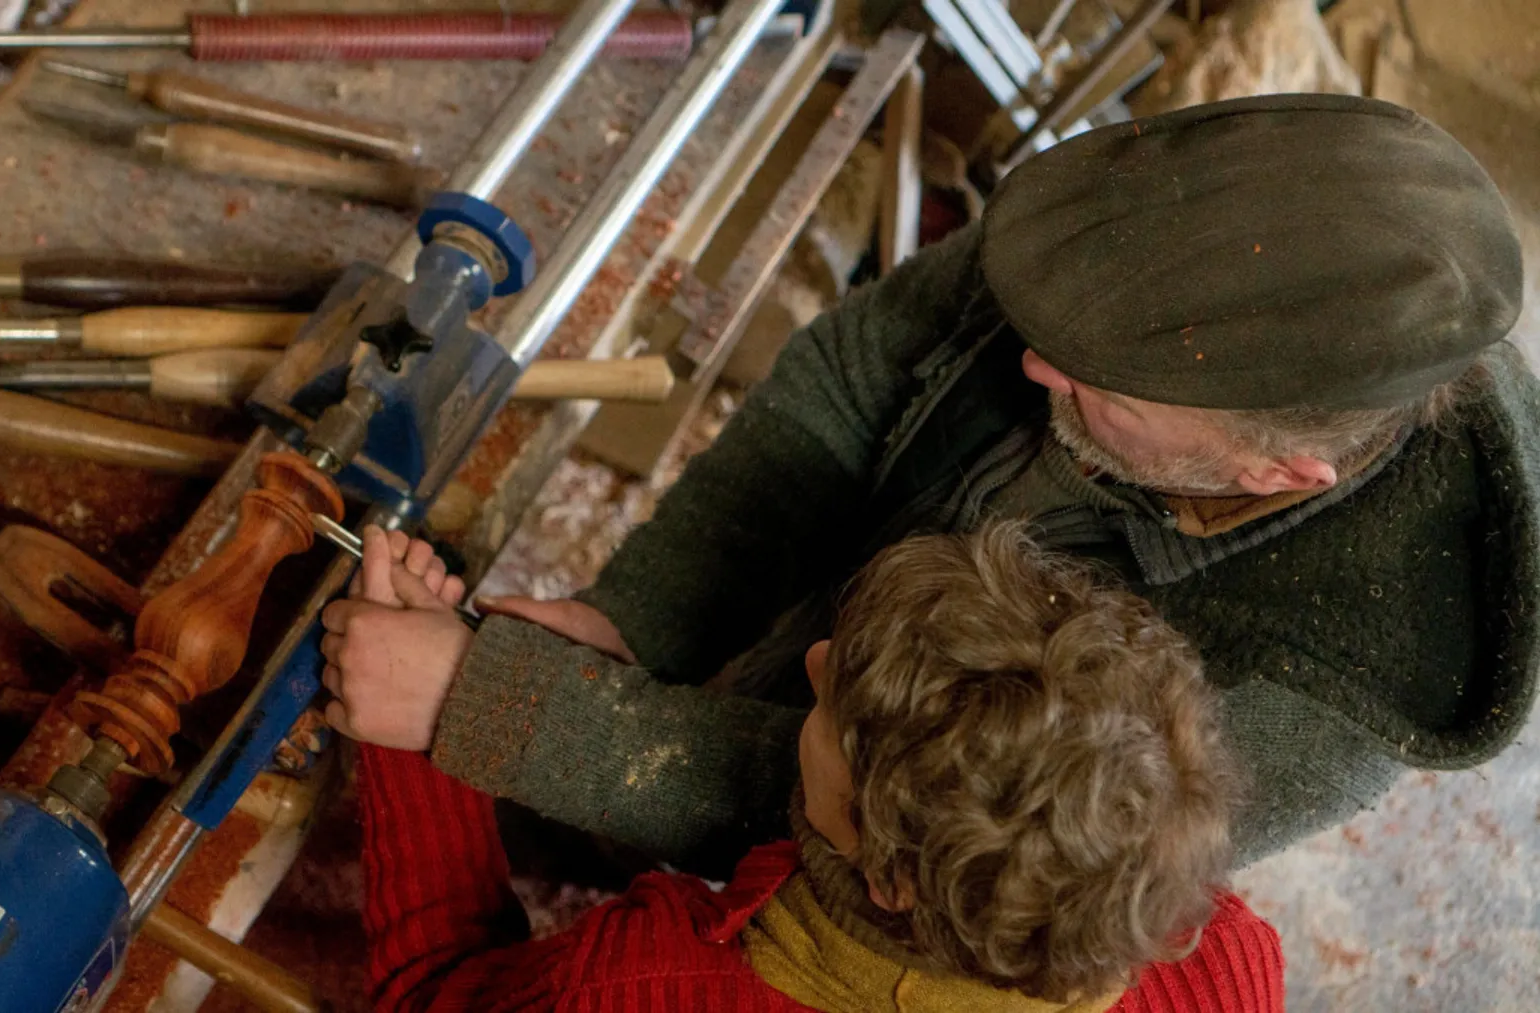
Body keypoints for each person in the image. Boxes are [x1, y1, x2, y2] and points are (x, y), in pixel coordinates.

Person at [322, 93, 1539, 873]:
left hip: (894, 837)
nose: (1031, 361)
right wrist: (638, 619)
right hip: (829, 657)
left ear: (1277, 471)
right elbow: (847, 382)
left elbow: (922, 826)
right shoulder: (1141, 254)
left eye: (1098, 389)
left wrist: (519, 717)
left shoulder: (1336, 688)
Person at [343, 525, 1285, 1012]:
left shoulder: (640, 985)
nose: (816, 660)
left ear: (891, 879)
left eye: (838, 717)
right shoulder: (1225, 957)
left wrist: (426, 735)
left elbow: (438, 991)